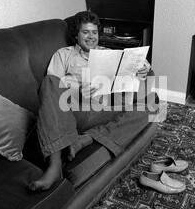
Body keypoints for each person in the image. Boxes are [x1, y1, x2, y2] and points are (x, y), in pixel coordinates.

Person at [28, 11, 154, 192]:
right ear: (76, 35)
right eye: (85, 32)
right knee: (49, 81)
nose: (91, 36)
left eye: (94, 32)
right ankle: (54, 166)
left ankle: (85, 139)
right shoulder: (64, 55)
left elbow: (141, 66)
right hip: (75, 112)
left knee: (151, 107)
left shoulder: (109, 54)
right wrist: (77, 90)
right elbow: (51, 90)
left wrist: (143, 68)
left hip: (104, 111)